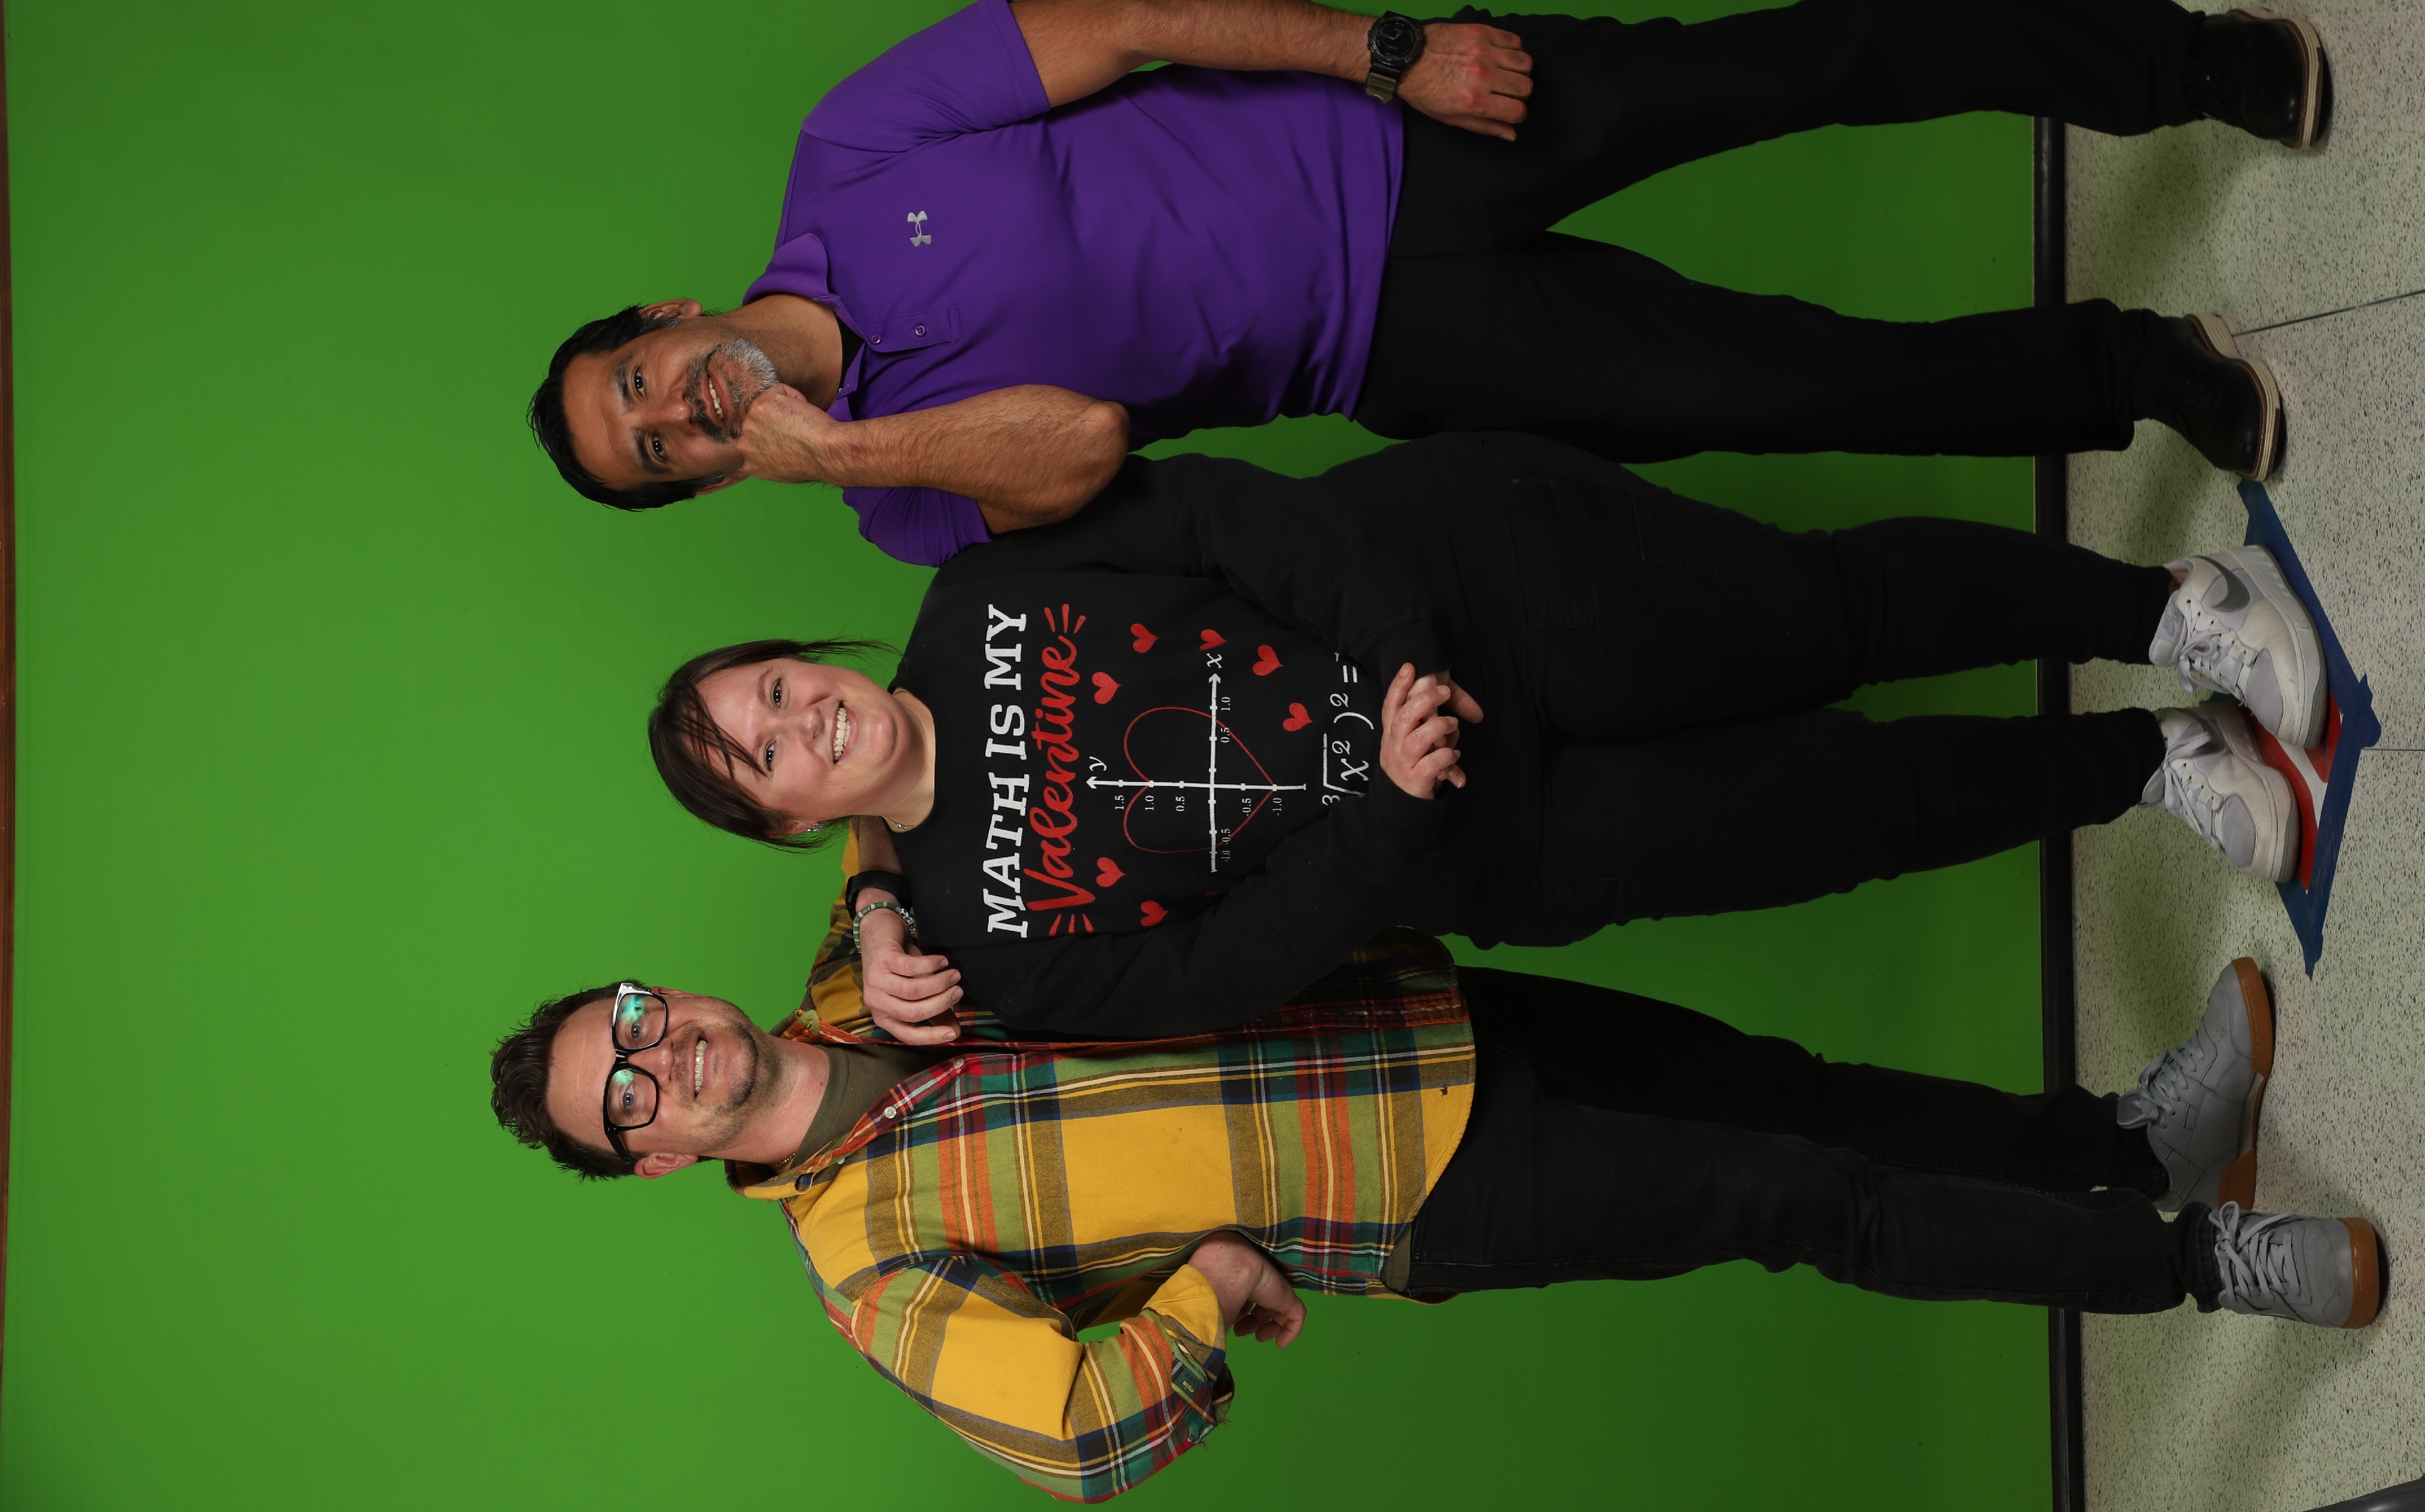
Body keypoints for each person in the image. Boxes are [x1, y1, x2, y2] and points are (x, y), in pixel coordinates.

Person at [487, 925, 2386, 1502]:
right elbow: (1072, 1433)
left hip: (1409, 1017)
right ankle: (2201, 1262)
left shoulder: (856, 963)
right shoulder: (858, 1264)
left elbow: (905, 781)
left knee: (1792, 1089)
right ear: (655, 1161)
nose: (665, 1057)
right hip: (1423, 1187)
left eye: (633, 1018)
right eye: (626, 1093)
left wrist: (886, 901)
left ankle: (2127, 1146)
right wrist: (1205, 1289)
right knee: (1816, 1202)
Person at [524, 0, 2325, 564]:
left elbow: (1134, 20)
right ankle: (2140, 371)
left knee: (1807, 65)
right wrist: (843, 446)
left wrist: (1391, 55)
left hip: (1412, 133)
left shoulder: (851, 150)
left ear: (666, 316)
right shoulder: (894, 503)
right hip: (1403, 345)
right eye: (663, 457)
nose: (680, 416)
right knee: (1801, 390)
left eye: (641, 387)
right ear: (710, 482)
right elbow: (1081, 444)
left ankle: (2188, 64)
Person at [642, 432, 2324, 1040]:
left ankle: (2163, 609)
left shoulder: (976, 592)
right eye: (766, 754)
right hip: (1492, 840)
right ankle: (2151, 764)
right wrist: (1388, 799)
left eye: (771, 685)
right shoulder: (984, 946)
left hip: (1482, 585)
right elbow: (1218, 973)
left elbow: (1222, 512)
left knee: (1833, 614)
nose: (802, 718)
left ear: (799, 656)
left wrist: (1396, 660)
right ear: (790, 822)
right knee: (1852, 811)